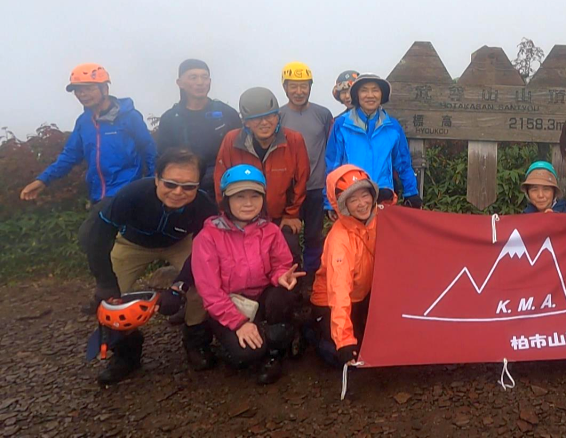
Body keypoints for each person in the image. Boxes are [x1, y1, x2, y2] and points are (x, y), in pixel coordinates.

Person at [80, 148, 218, 384]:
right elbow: (98, 237)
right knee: (112, 300)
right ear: (156, 178)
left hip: (179, 242)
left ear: (198, 185)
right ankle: (126, 354)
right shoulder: (132, 195)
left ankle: (197, 342)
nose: (178, 192)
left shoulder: (204, 206)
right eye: (170, 184)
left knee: (204, 286)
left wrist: (178, 288)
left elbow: (206, 254)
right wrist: (104, 282)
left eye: (188, 187)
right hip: (133, 243)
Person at [191, 165, 303, 385]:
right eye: (240, 196)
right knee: (244, 356)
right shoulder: (207, 238)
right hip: (230, 304)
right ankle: (271, 337)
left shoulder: (270, 231)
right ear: (226, 200)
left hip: (262, 297)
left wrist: (281, 276)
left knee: (284, 293)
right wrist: (239, 323)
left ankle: (274, 352)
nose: (248, 203)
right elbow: (211, 292)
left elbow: (281, 264)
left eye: (255, 196)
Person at [21, 63, 157, 204]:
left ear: (105, 88)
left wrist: (153, 187)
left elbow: (149, 151)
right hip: (97, 197)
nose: (82, 95)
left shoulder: (129, 117)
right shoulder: (84, 122)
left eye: (88, 89)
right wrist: (42, 180)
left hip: (128, 195)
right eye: (78, 90)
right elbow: (70, 155)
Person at [214, 87, 310, 265]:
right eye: (256, 118)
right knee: (242, 259)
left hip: (280, 215)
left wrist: (291, 214)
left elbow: (300, 179)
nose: (264, 122)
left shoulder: (293, 140)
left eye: (270, 116)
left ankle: (291, 290)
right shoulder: (232, 140)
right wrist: (228, 217)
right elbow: (221, 181)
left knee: (289, 254)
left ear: (278, 117)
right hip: (241, 216)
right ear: (246, 122)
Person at [308, 165, 382, 367]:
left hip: (361, 296)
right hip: (330, 303)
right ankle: (313, 332)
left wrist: (389, 198)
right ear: (342, 205)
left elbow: (398, 217)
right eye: (353, 199)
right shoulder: (339, 240)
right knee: (345, 355)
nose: (362, 204)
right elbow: (338, 291)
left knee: (377, 343)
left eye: (365, 195)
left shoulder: (378, 220)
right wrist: (344, 341)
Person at [323, 73, 421, 209]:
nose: (370, 95)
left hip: (384, 199)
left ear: (382, 95)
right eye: (364, 90)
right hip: (351, 198)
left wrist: (411, 193)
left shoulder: (392, 126)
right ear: (357, 95)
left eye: (375, 90)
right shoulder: (342, 124)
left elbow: (403, 164)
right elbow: (333, 167)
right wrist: (329, 203)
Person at [278, 62, 335, 275]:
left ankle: (312, 276)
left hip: (316, 186)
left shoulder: (323, 113)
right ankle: (290, 275)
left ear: (311, 87)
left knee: (313, 235)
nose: (299, 91)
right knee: (287, 234)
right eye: (293, 86)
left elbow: (332, 147)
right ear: (285, 88)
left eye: (304, 86)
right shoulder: (278, 116)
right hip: (289, 188)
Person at [156, 59, 242, 194]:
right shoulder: (170, 119)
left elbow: (241, 153)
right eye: (193, 77)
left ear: (210, 82)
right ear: (180, 83)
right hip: (185, 188)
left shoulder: (227, 114)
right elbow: (163, 158)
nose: (200, 82)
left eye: (204, 77)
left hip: (223, 186)